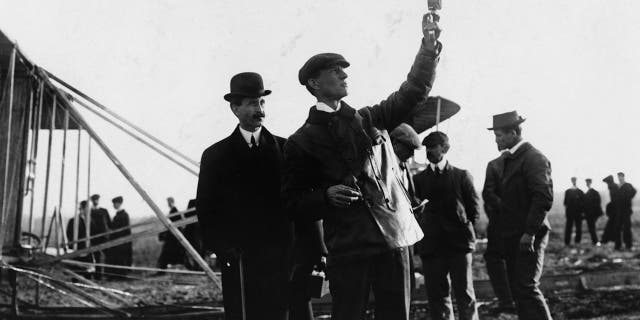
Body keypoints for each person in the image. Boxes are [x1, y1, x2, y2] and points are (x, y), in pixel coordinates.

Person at [282, 12, 442, 319]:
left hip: (393, 240)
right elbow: (292, 202)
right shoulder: (300, 141)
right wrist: (325, 196)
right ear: (314, 83)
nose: (344, 76)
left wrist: (428, 48)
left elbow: (414, 90)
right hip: (348, 248)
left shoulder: (369, 119)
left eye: (344, 71)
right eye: (335, 71)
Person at [196, 72, 293, 320]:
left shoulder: (286, 150)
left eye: (262, 102)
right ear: (234, 108)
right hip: (240, 262)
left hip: (280, 259)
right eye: (252, 103)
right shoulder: (215, 156)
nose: (260, 110)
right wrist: (224, 250)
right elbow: (206, 211)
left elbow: (297, 204)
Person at [487, 111, 553, 320]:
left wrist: (529, 233)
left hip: (528, 235)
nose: (496, 140)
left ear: (513, 133)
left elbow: (542, 197)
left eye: (499, 135)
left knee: (526, 286)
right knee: (518, 288)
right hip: (513, 234)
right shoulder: (511, 159)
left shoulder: (534, 158)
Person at [482, 152, 516, 314]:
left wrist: (501, 212)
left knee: (495, 258)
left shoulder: (495, 164)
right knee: (514, 260)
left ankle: (507, 299)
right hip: (519, 222)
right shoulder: (530, 161)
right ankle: (513, 299)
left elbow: (488, 195)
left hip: (501, 222)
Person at [105, 196, 132, 280]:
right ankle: (115, 275)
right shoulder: (117, 215)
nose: (113, 205)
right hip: (116, 241)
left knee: (120, 258)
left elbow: (125, 230)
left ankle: (120, 276)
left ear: (119, 204)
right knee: (115, 258)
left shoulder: (124, 215)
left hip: (121, 242)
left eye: (115, 203)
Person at [157, 197, 185, 269]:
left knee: (167, 253)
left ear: (172, 202)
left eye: (169, 202)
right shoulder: (173, 211)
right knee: (169, 254)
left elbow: (175, 224)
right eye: (167, 202)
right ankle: (162, 268)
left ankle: (162, 269)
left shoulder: (174, 211)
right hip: (172, 236)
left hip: (173, 237)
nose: (168, 204)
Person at [66, 201, 92, 277]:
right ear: (83, 209)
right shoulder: (74, 220)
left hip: (87, 247)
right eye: (88, 208)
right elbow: (69, 233)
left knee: (86, 267)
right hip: (78, 247)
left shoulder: (89, 220)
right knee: (78, 266)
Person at [90, 194, 111, 279]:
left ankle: (107, 273)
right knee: (96, 256)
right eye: (94, 200)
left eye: (97, 200)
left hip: (104, 237)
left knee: (107, 254)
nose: (95, 201)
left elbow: (109, 223)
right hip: (94, 237)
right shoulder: (90, 212)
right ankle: (98, 275)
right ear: (92, 201)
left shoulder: (104, 211)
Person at [615, 172, 636, 250]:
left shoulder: (628, 185)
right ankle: (618, 246)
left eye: (621, 176)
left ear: (623, 177)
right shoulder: (617, 186)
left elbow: (634, 191)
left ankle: (628, 245)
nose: (620, 178)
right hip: (619, 211)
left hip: (626, 210)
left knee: (627, 228)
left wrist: (628, 198)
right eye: (619, 177)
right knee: (617, 228)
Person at [564, 177, 585, 246]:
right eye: (573, 180)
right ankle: (567, 242)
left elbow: (583, 203)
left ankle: (577, 241)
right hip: (571, 213)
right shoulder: (568, 191)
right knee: (569, 228)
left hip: (578, 213)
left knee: (578, 228)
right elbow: (565, 203)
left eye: (574, 180)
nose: (574, 181)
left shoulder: (580, 192)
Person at [601, 175, 620, 245]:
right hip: (615, 210)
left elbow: (616, 200)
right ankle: (611, 239)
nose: (607, 185)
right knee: (613, 225)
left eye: (607, 183)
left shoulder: (614, 187)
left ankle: (606, 239)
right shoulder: (613, 187)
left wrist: (610, 206)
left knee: (611, 225)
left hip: (616, 210)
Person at [583, 178, 602, 245]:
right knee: (591, 228)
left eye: (588, 182)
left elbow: (598, 203)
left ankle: (595, 241)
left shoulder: (594, 192)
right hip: (588, 214)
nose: (587, 184)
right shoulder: (587, 193)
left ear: (590, 183)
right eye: (586, 183)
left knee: (592, 228)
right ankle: (595, 241)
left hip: (593, 214)